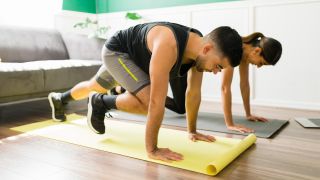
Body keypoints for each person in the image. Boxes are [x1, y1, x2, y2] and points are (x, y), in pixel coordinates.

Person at [86, 22, 243, 162]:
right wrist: (152, 149)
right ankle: (99, 102)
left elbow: (193, 93)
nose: (216, 72)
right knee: (148, 103)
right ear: (207, 49)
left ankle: (103, 100)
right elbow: (156, 103)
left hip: (141, 57)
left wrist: (192, 131)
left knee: (146, 101)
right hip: (118, 53)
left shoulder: (200, 50)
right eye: (218, 66)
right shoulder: (168, 46)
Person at [221, 32, 282, 133]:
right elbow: (225, 88)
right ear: (257, 51)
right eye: (261, 63)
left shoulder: (245, 54)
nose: (258, 66)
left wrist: (248, 114)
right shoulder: (234, 49)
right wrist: (230, 124)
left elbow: (244, 84)